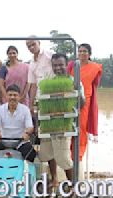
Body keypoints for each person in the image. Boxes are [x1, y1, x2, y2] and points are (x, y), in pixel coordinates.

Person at [38, 53, 85, 185]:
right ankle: (55, 179)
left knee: (63, 158)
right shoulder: (48, 83)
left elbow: (82, 104)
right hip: (49, 124)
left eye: (60, 65)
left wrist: (75, 91)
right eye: (55, 65)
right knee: (47, 154)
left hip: (63, 125)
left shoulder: (73, 81)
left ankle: (73, 185)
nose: (58, 68)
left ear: (66, 65)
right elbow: (42, 104)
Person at [67, 43, 102, 162]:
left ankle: (78, 154)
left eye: (85, 51)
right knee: (70, 125)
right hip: (71, 99)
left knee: (81, 126)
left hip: (85, 100)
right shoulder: (72, 65)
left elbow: (95, 84)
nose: (82, 53)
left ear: (89, 54)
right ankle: (69, 152)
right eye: (80, 51)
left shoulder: (95, 68)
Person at [0, 84, 36, 162]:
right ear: (6, 96)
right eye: (10, 95)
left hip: (21, 142)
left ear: (19, 97)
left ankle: (26, 173)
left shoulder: (25, 110)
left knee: (31, 153)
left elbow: (30, 127)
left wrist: (27, 133)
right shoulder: (0, 109)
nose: (12, 97)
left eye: (15, 95)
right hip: (4, 142)